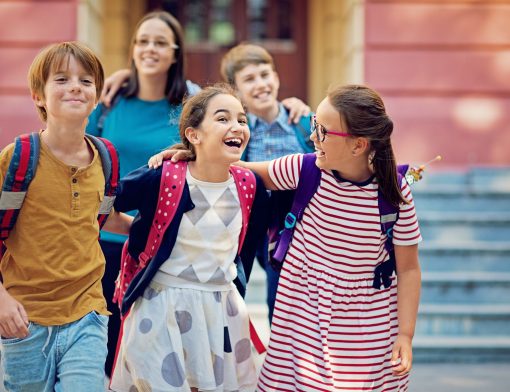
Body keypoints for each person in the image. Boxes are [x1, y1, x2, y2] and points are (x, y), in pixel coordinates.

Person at [149, 84, 422, 391]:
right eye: (314, 125)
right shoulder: (303, 170)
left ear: (358, 145)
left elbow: (408, 269)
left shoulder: (394, 196)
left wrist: (405, 335)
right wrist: (195, 154)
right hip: (302, 319)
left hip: (367, 331)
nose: (312, 137)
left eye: (322, 131)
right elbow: (234, 168)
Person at [109, 85, 269, 392]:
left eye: (242, 120)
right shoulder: (162, 175)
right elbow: (100, 207)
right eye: (223, 119)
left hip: (220, 309)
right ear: (194, 135)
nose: (237, 126)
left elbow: (247, 246)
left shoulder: (250, 186)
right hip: (161, 306)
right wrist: (144, 229)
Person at [0, 42, 131, 391]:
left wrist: (158, 233)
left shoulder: (105, 158)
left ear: (96, 95)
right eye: (62, 79)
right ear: (38, 96)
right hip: (24, 319)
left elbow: (104, 216)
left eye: (85, 81)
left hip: (87, 310)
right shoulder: (18, 158)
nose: (75, 86)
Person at [85, 10, 200, 376]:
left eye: (160, 42)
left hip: (167, 247)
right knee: (109, 351)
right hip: (106, 241)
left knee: (159, 355)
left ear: (175, 52)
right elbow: (82, 154)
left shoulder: (192, 103)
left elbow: (224, 154)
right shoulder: (111, 100)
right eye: (142, 41)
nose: (149, 49)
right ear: (133, 49)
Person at [221, 43, 315, 321]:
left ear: (275, 77)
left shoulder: (305, 124)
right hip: (256, 227)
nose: (260, 84)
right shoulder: (236, 132)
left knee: (295, 302)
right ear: (236, 91)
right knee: (247, 296)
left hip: (302, 226)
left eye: (265, 74)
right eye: (249, 79)